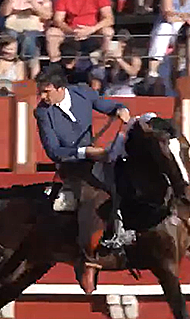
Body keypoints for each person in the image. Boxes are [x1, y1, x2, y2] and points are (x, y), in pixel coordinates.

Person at [33, 64, 131, 295]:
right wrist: (86, 152)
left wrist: (120, 108)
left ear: (60, 88)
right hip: (73, 167)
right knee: (93, 197)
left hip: (98, 159)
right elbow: (54, 152)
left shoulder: (82, 93)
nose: (42, 96)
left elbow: (108, 106)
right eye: (41, 92)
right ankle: (88, 260)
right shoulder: (43, 112)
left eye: (46, 91)